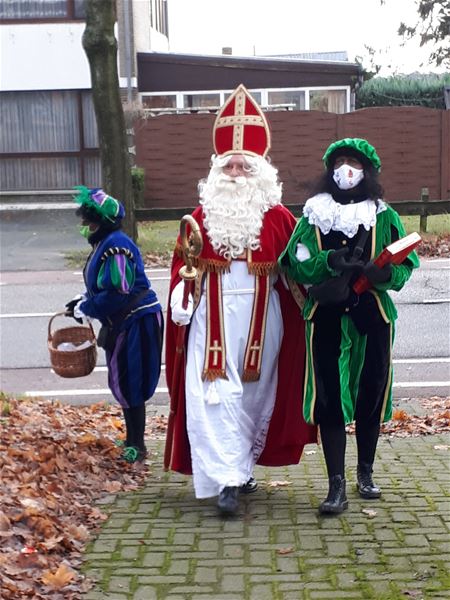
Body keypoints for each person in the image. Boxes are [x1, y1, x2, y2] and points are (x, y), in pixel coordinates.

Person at [164, 84, 317, 515]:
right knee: (215, 395)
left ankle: (241, 467)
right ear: (215, 171)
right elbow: (183, 268)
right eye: (229, 165)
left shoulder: (281, 218)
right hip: (211, 322)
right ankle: (227, 481)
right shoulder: (197, 219)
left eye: (245, 165)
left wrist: (314, 295)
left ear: (261, 170)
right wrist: (182, 294)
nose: (236, 171)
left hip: (263, 323)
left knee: (253, 398)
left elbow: (297, 271)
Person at [278, 138, 420, 514]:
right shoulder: (313, 215)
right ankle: (335, 486)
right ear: (330, 170)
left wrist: (384, 272)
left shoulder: (384, 216)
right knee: (329, 400)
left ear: (367, 171)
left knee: (370, 393)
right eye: (339, 162)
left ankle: (366, 472)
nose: (346, 169)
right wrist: (329, 261)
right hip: (326, 317)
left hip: (373, 318)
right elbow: (293, 261)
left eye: (353, 162)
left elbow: (407, 265)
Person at [65, 186, 164, 463]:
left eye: (89, 222)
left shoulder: (116, 248)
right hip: (124, 322)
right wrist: (82, 300)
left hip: (137, 321)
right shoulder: (104, 243)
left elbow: (118, 291)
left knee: (131, 380)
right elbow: (102, 287)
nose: (85, 226)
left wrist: (87, 308)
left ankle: (138, 444)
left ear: (102, 223)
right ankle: (132, 437)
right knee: (122, 379)